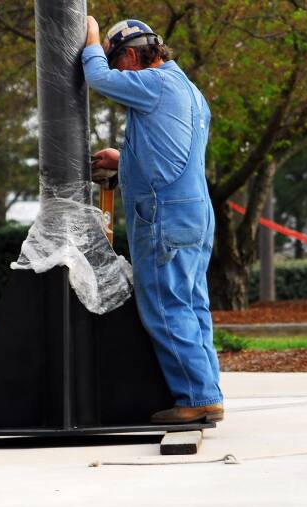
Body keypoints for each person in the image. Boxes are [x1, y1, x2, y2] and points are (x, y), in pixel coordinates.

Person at [83, 17, 224, 424]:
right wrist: (123, 160)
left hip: (166, 217)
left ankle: (196, 397)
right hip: (195, 213)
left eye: (117, 59)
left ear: (130, 55)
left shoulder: (155, 83)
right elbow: (168, 155)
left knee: (165, 305)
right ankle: (206, 390)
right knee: (193, 304)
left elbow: (95, 76)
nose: (117, 69)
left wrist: (91, 37)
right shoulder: (191, 92)